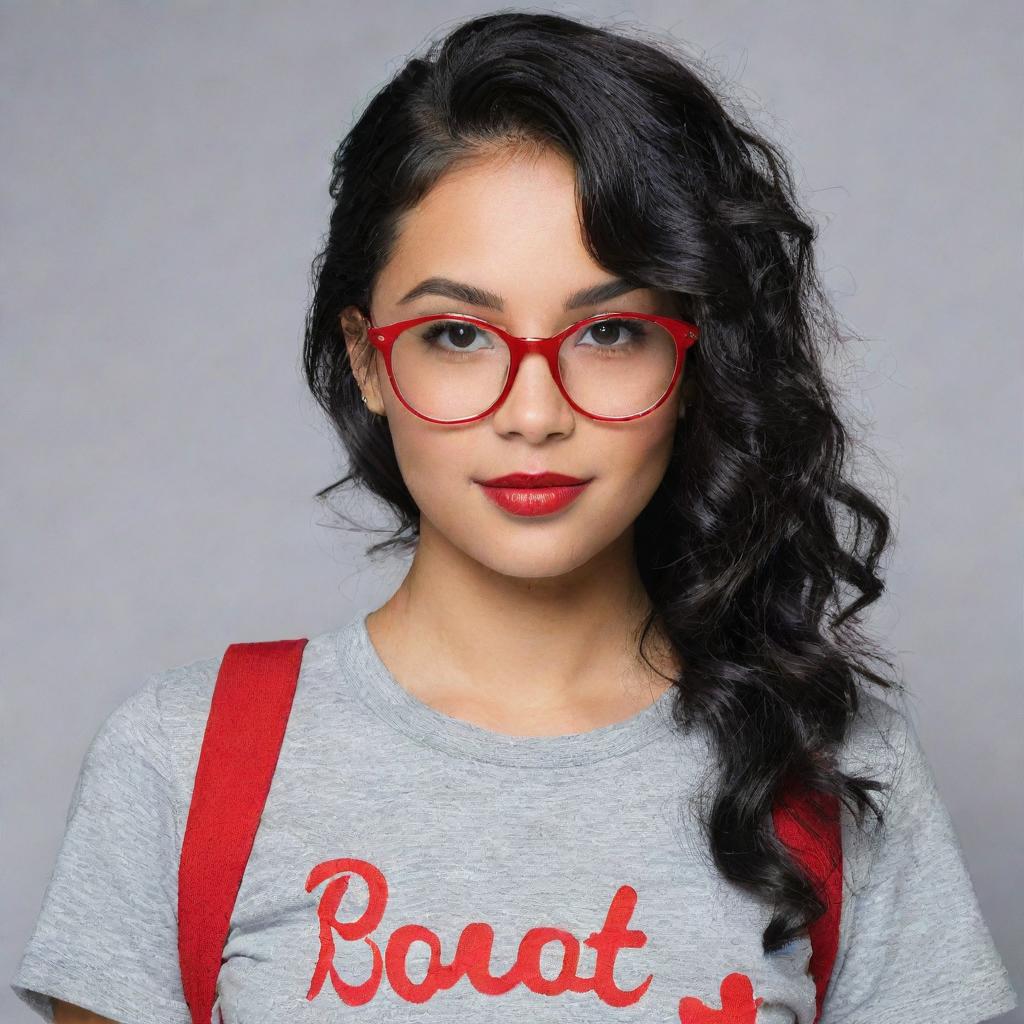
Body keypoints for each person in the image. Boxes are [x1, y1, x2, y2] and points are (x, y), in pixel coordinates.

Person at [11, 11, 1017, 1024]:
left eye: (610, 331)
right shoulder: (182, 761)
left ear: (690, 357)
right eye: (457, 334)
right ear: (367, 356)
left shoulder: (831, 764)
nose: (533, 413)